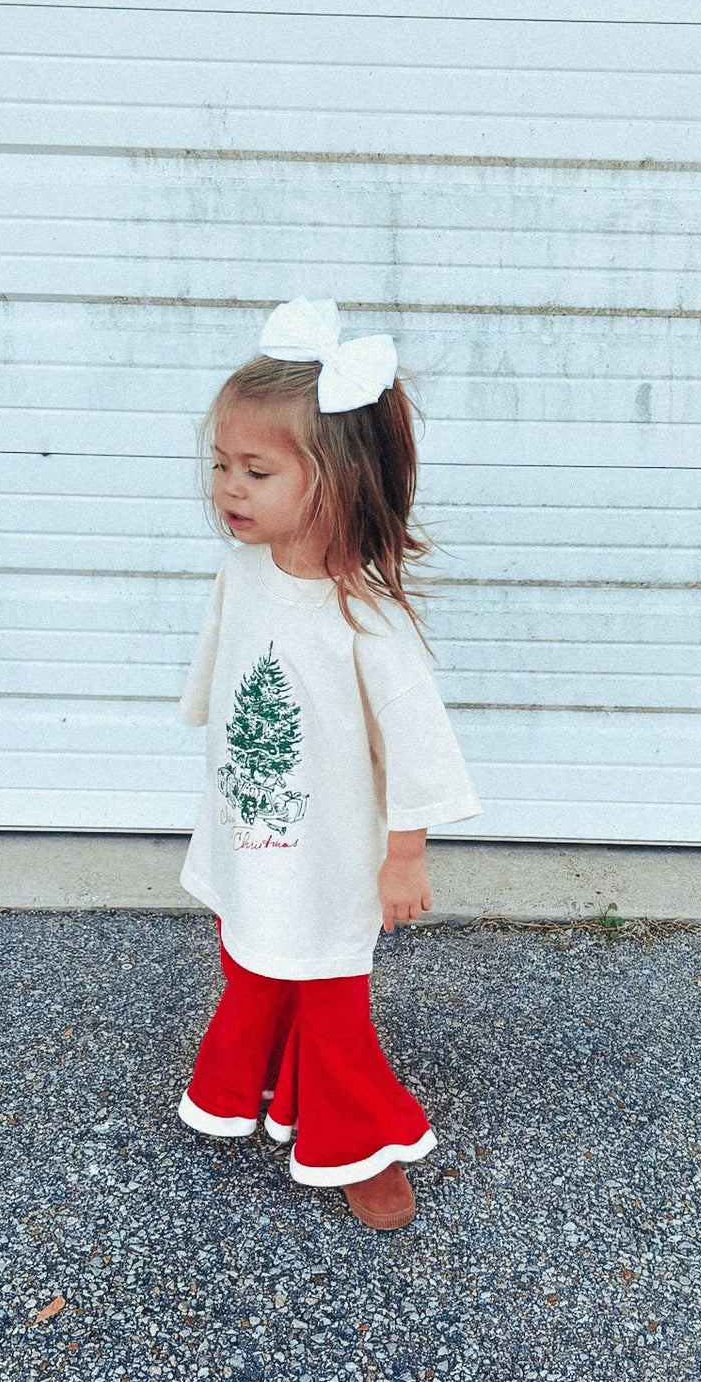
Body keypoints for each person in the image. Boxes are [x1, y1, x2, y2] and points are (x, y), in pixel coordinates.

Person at [174, 297, 481, 1230]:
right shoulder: (241, 573)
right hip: (252, 821)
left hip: (335, 851)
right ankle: (262, 1086)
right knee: (251, 959)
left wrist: (405, 854)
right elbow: (221, 676)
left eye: (256, 470)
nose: (228, 488)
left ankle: (356, 1139)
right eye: (221, 464)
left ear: (337, 481)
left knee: (330, 995)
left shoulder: (364, 618)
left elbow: (416, 743)